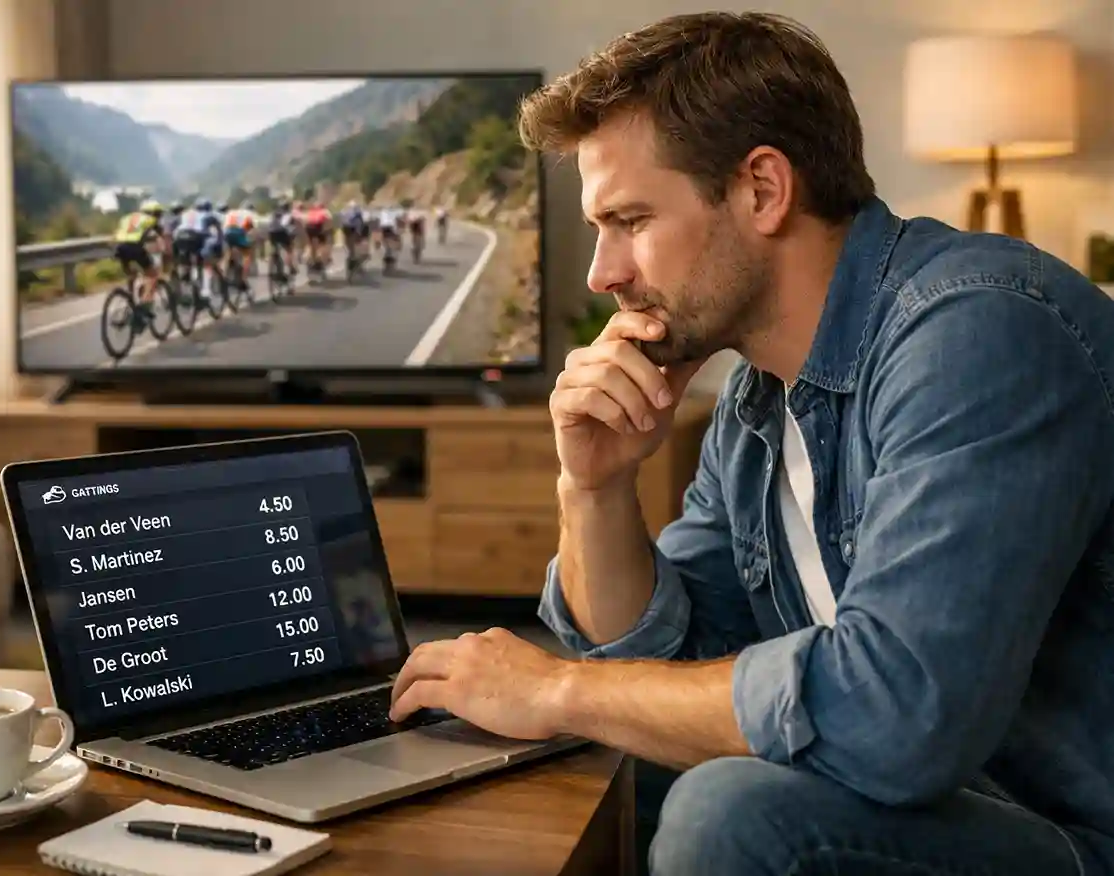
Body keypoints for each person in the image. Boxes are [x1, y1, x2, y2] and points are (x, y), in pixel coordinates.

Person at [385, 11, 1114, 876]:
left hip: (1064, 832)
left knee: (728, 810)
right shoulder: (754, 404)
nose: (601, 273)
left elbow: (898, 718)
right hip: (935, 808)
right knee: (585, 749)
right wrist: (594, 488)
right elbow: (660, 669)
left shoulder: (978, 332)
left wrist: (555, 688)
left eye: (629, 219)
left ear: (763, 190)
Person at [111, 199, 166, 307]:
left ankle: (130, 300)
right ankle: (145, 305)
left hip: (119, 247)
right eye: (158, 214)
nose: (159, 217)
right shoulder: (149, 219)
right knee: (152, 275)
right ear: (151, 213)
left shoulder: (126, 217)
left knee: (132, 274)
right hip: (134, 247)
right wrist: (163, 248)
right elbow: (159, 235)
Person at [219, 202, 252, 291]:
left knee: (228, 252)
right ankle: (243, 279)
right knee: (247, 254)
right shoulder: (248, 213)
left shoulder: (230, 212)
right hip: (237, 231)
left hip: (226, 232)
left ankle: (223, 274)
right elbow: (249, 227)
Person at [303, 201, 334, 269]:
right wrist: (326, 229)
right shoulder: (324, 211)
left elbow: (305, 220)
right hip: (318, 227)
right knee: (322, 244)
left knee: (311, 245)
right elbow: (330, 219)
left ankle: (312, 259)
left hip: (309, 228)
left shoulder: (310, 211)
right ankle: (319, 259)